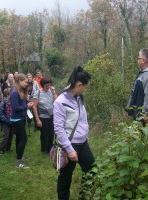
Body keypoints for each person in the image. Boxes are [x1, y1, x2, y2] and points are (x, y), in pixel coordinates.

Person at [53, 66, 95, 200]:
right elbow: (59, 129)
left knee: (92, 170)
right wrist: (70, 150)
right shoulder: (60, 102)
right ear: (79, 85)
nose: (86, 89)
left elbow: (81, 119)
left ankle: (84, 196)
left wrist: (84, 134)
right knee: (65, 177)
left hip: (82, 143)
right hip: (69, 146)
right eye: (85, 87)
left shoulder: (78, 98)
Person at [126, 48, 148, 122]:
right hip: (139, 116)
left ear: (143, 60)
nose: (137, 60)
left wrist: (144, 115)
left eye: (138, 58)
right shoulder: (145, 73)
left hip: (146, 119)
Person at [10, 74, 33, 168]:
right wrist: (27, 106)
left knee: (19, 138)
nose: (26, 84)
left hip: (21, 118)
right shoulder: (14, 92)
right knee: (24, 138)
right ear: (19, 81)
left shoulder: (21, 91)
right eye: (25, 82)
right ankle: (19, 162)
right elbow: (15, 108)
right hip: (17, 119)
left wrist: (27, 103)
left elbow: (21, 103)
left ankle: (19, 157)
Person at [32, 77, 57, 153]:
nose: (48, 86)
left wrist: (54, 91)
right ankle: (44, 148)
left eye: (50, 85)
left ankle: (50, 148)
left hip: (52, 116)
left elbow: (57, 101)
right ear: (43, 85)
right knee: (44, 134)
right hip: (43, 117)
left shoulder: (51, 91)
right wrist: (37, 120)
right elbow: (34, 106)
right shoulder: (38, 92)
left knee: (51, 133)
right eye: (47, 85)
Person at [0, 88, 12, 154]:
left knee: (10, 135)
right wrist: (5, 120)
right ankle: (1, 149)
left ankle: (8, 147)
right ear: (7, 95)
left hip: (11, 121)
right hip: (5, 122)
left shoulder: (12, 102)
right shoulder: (3, 103)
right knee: (5, 135)